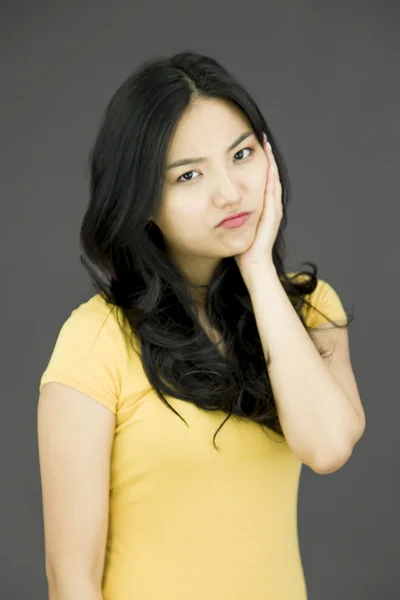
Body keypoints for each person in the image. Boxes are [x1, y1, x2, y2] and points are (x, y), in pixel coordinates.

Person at [37, 50, 366, 600]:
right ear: (141, 201)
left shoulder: (310, 313)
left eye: (241, 155)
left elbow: (327, 446)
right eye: (189, 174)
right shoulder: (96, 340)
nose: (230, 192)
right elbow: (71, 580)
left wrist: (258, 267)